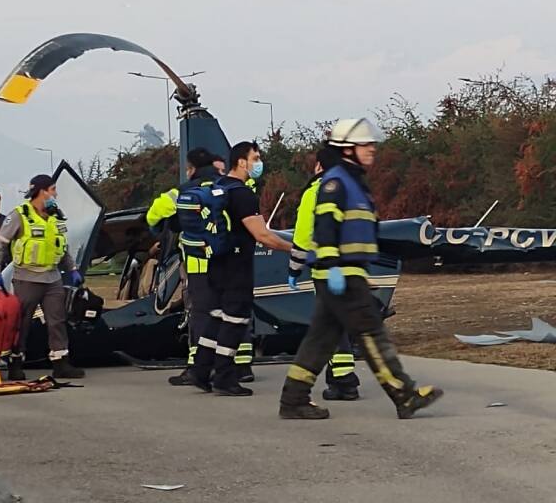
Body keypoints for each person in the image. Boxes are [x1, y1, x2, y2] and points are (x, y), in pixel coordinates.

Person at [280, 118, 443, 419]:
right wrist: (332, 266)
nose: (372, 149)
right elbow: (325, 228)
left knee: (321, 339)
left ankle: (293, 399)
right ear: (347, 150)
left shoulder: (353, 183)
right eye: (365, 145)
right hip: (340, 273)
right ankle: (404, 394)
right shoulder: (336, 183)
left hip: (347, 272)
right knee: (371, 333)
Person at [189, 141, 292, 396]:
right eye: (255, 158)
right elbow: (262, 235)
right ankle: (224, 377)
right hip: (236, 266)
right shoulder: (243, 194)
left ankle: (200, 370)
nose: (259, 163)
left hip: (216, 262)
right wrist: (294, 248)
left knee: (216, 316)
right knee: (236, 319)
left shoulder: (218, 187)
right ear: (242, 162)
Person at [147, 148, 254, 385]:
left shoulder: (182, 191)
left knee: (202, 312)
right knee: (232, 311)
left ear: (191, 168)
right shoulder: (228, 186)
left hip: (198, 263)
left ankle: (198, 366)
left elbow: (153, 215)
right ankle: (241, 364)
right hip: (226, 260)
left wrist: (161, 230)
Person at [0, 174, 84, 380]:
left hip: (52, 278)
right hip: (27, 279)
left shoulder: (55, 215)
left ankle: (61, 362)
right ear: (42, 192)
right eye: (53, 190)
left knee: (57, 321)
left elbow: (61, 246)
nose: (55, 194)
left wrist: (72, 269)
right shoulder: (19, 215)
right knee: (22, 323)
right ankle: (16, 363)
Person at [288, 145, 360, 401]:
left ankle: (344, 380)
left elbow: (303, 235)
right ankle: (342, 377)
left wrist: (294, 268)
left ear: (319, 166)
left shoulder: (315, 191)